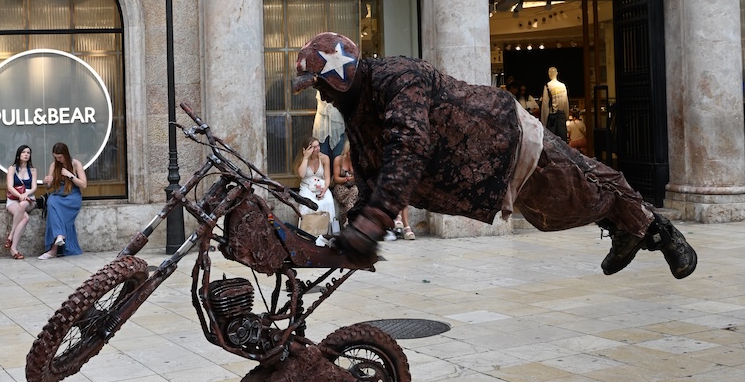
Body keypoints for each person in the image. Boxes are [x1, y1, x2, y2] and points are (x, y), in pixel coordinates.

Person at [292, 32, 697, 280]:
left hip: (508, 141)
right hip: (486, 176)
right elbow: (369, 170)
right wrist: (354, 228)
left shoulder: (399, 78)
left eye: (320, 85)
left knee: (581, 185)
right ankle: (628, 226)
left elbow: (408, 146)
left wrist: (374, 222)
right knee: (556, 212)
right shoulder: (357, 111)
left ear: (339, 75)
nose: (321, 95)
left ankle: (657, 230)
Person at [40, 142, 86, 259]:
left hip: (72, 196)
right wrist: (47, 181)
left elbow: (84, 184)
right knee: (51, 202)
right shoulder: (54, 165)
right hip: (58, 194)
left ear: (65, 154)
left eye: (60, 157)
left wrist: (70, 175)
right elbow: (49, 187)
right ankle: (59, 236)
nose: (58, 160)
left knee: (56, 212)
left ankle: (53, 250)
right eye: (55, 157)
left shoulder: (76, 164)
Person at [293, 138, 338, 235]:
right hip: (306, 187)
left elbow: (327, 178)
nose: (317, 149)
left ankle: (327, 233)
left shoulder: (324, 158)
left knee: (328, 202)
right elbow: (301, 175)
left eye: (318, 146)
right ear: (306, 149)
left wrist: (324, 189)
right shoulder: (302, 159)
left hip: (321, 186)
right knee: (307, 204)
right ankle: (308, 232)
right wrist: (305, 157)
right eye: (313, 147)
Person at [5, 145, 37, 259]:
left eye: (28, 152)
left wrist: (26, 195)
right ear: (19, 154)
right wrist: (20, 196)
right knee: (25, 218)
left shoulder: (33, 170)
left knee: (23, 204)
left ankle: (11, 235)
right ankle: (13, 249)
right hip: (14, 199)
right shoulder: (12, 169)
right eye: (24, 152)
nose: (26, 154)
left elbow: (34, 188)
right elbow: (10, 187)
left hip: (29, 199)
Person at [331, 139, 358, 227]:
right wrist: (346, 179)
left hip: (353, 185)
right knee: (349, 196)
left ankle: (346, 220)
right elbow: (336, 178)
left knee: (355, 190)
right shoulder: (339, 159)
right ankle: (349, 220)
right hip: (341, 184)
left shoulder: (357, 160)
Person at [540, 66, 569, 142]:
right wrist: (566, 115)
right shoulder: (562, 86)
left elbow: (545, 104)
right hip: (562, 114)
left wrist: (543, 121)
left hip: (552, 115)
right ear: (557, 73)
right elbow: (565, 102)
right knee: (563, 141)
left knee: (552, 141)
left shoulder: (547, 86)